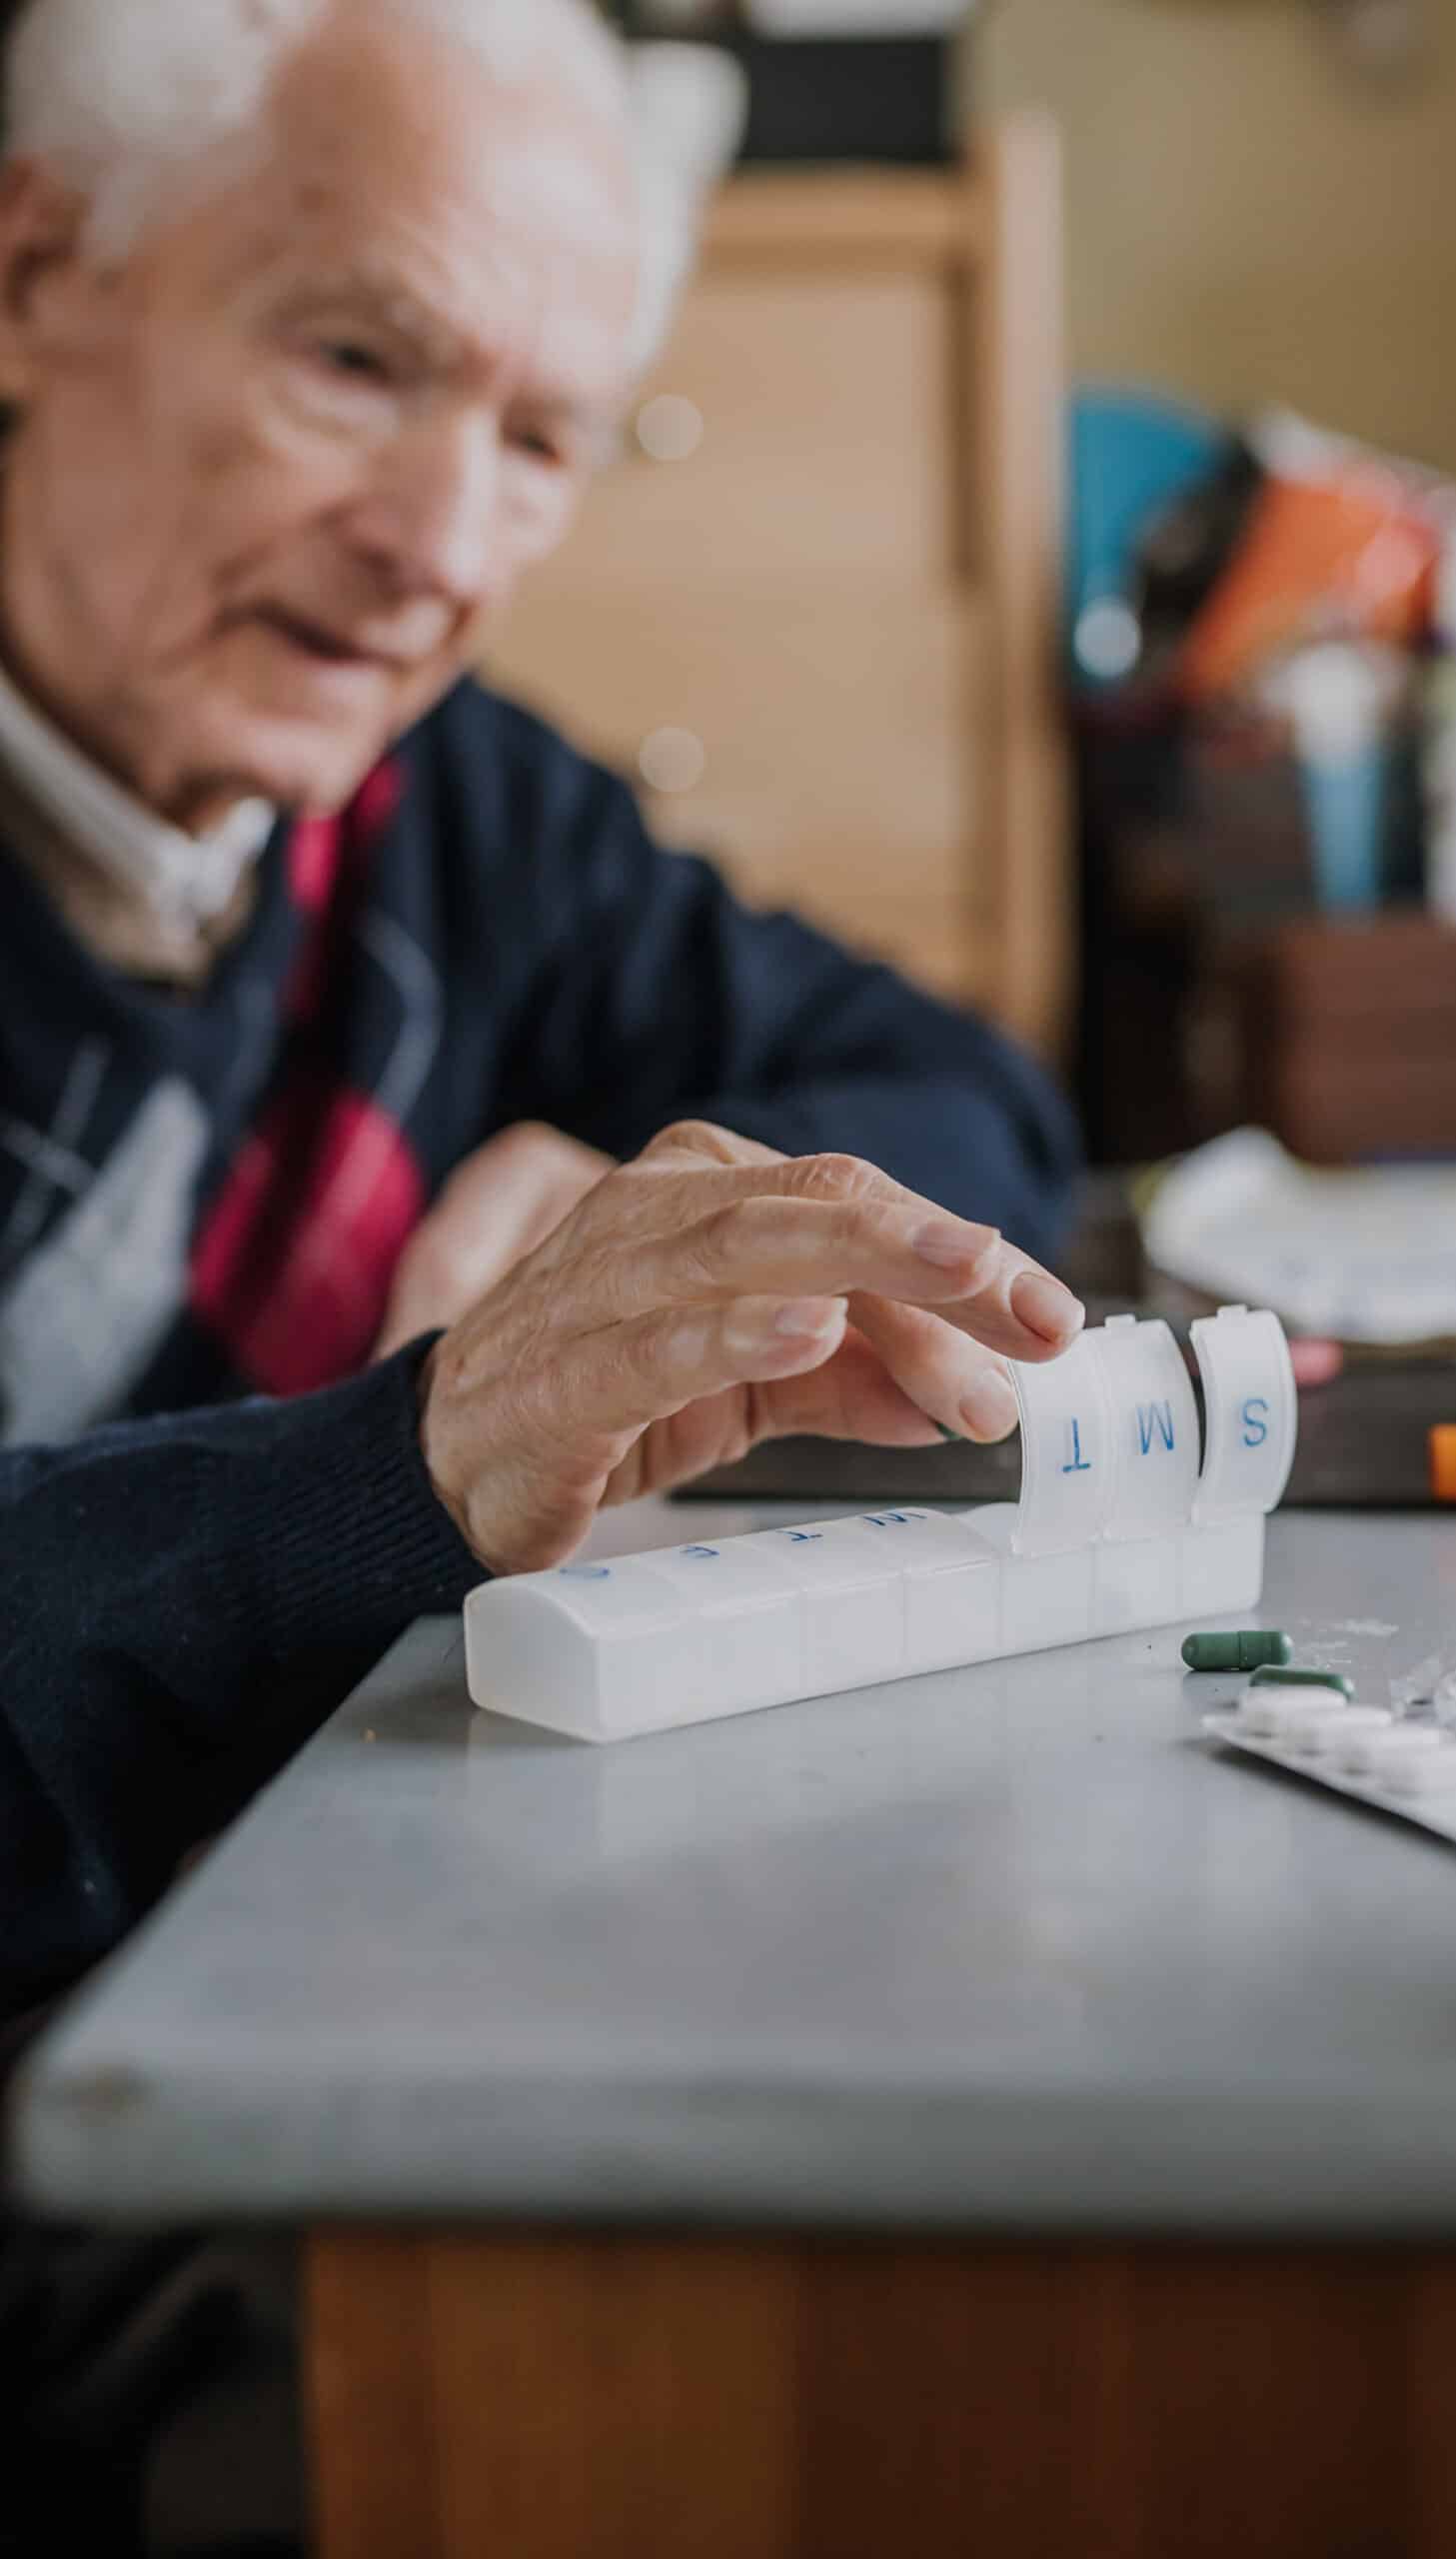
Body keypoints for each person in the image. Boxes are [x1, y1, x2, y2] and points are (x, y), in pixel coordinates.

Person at [0, 0, 1083, 2033]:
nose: (440, 551)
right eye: (350, 361)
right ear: (34, 274)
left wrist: (669, 1223)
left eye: (537, 438)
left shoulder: (453, 804)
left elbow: (968, 1090)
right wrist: (409, 1457)